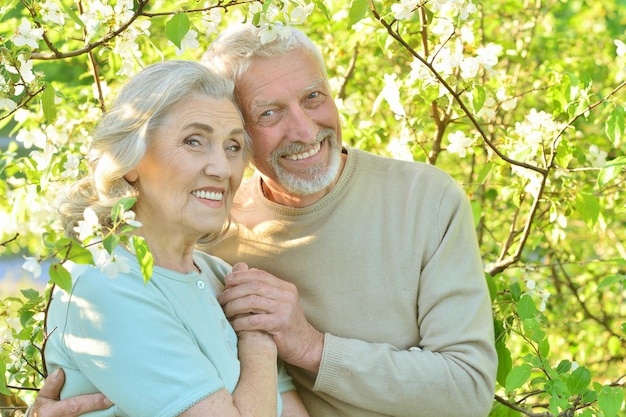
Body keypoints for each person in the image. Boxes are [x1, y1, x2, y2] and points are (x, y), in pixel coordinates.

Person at [30, 24, 497, 417]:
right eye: (268, 113)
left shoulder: (424, 200)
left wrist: (307, 344)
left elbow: (469, 385)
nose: (303, 130)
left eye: (314, 97)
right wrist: (258, 341)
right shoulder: (211, 237)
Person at [41, 60, 309, 417]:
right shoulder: (106, 281)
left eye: (232, 147)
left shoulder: (222, 277)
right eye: (193, 141)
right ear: (130, 160)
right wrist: (259, 345)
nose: (221, 168)